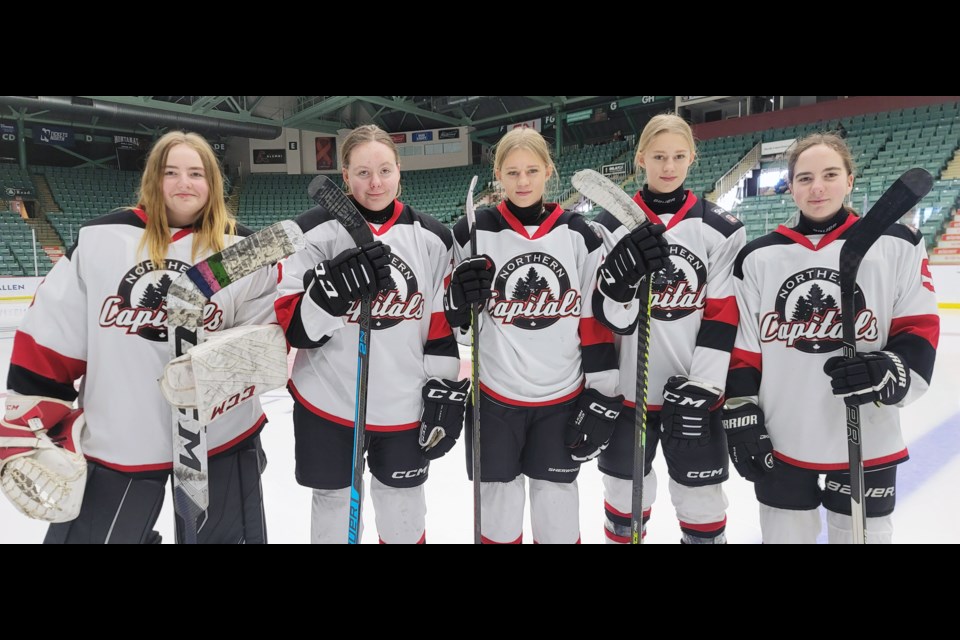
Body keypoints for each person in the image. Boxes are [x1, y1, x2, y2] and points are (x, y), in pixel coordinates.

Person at [1, 131, 280, 543]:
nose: (184, 183)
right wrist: (32, 417)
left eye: (196, 173)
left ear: (213, 184)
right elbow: (52, 332)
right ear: (153, 178)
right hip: (120, 436)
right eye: (171, 172)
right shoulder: (102, 240)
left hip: (221, 438)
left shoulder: (244, 248)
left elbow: (266, 338)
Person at [725, 132, 939, 544]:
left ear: (850, 180)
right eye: (804, 178)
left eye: (829, 174)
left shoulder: (898, 243)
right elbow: (745, 350)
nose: (817, 187)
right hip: (784, 434)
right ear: (790, 187)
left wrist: (892, 370)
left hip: (868, 436)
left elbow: (919, 327)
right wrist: (741, 412)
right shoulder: (758, 257)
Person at [446, 127, 641, 544]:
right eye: (512, 172)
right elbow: (461, 323)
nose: (522, 181)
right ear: (498, 174)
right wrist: (459, 302)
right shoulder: (472, 231)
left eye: (532, 170)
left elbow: (593, 319)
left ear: (548, 171)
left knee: (557, 513)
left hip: (561, 399)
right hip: (495, 398)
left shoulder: (580, 234)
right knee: (497, 514)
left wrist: (604, 390)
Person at [276, 124, 464, 544]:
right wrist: (326, 299)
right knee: (334, 511)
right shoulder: (310, 232)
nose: (375, 182)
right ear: (344, 176)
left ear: (400, 170)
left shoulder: (434, 237)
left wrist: (442, 390)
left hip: (404, 405)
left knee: (404, 510)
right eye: (362, 172)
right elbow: (294, 328)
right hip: (327, 402)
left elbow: (438, 329)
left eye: (384, 170)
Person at [592, 113, 745, 544]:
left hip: (693, 396)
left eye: (678, 156)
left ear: (692, 158)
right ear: (641, 158)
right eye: (658, 156)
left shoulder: (720, 229)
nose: (668, 166)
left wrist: (705, 387)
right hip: (628, 395)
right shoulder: (605, 226)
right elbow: (603, 320)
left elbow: (721, 316)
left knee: (702, 504)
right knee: (623, 501)